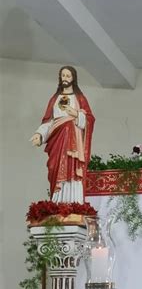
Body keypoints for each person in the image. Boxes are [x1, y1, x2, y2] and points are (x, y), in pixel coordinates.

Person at [30, 66, 95, 203]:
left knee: (72, 169)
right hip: (57, 140)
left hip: (74, 144)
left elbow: (90, 119)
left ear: (73, 78)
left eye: (68, 76)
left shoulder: (80, 98)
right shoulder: (54, 99)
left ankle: (74, 202)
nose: (65, 78)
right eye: (63, 75)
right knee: (54, 166)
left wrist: (77, 114)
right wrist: (39, 135)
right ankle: (57, 202)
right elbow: (49, 121)